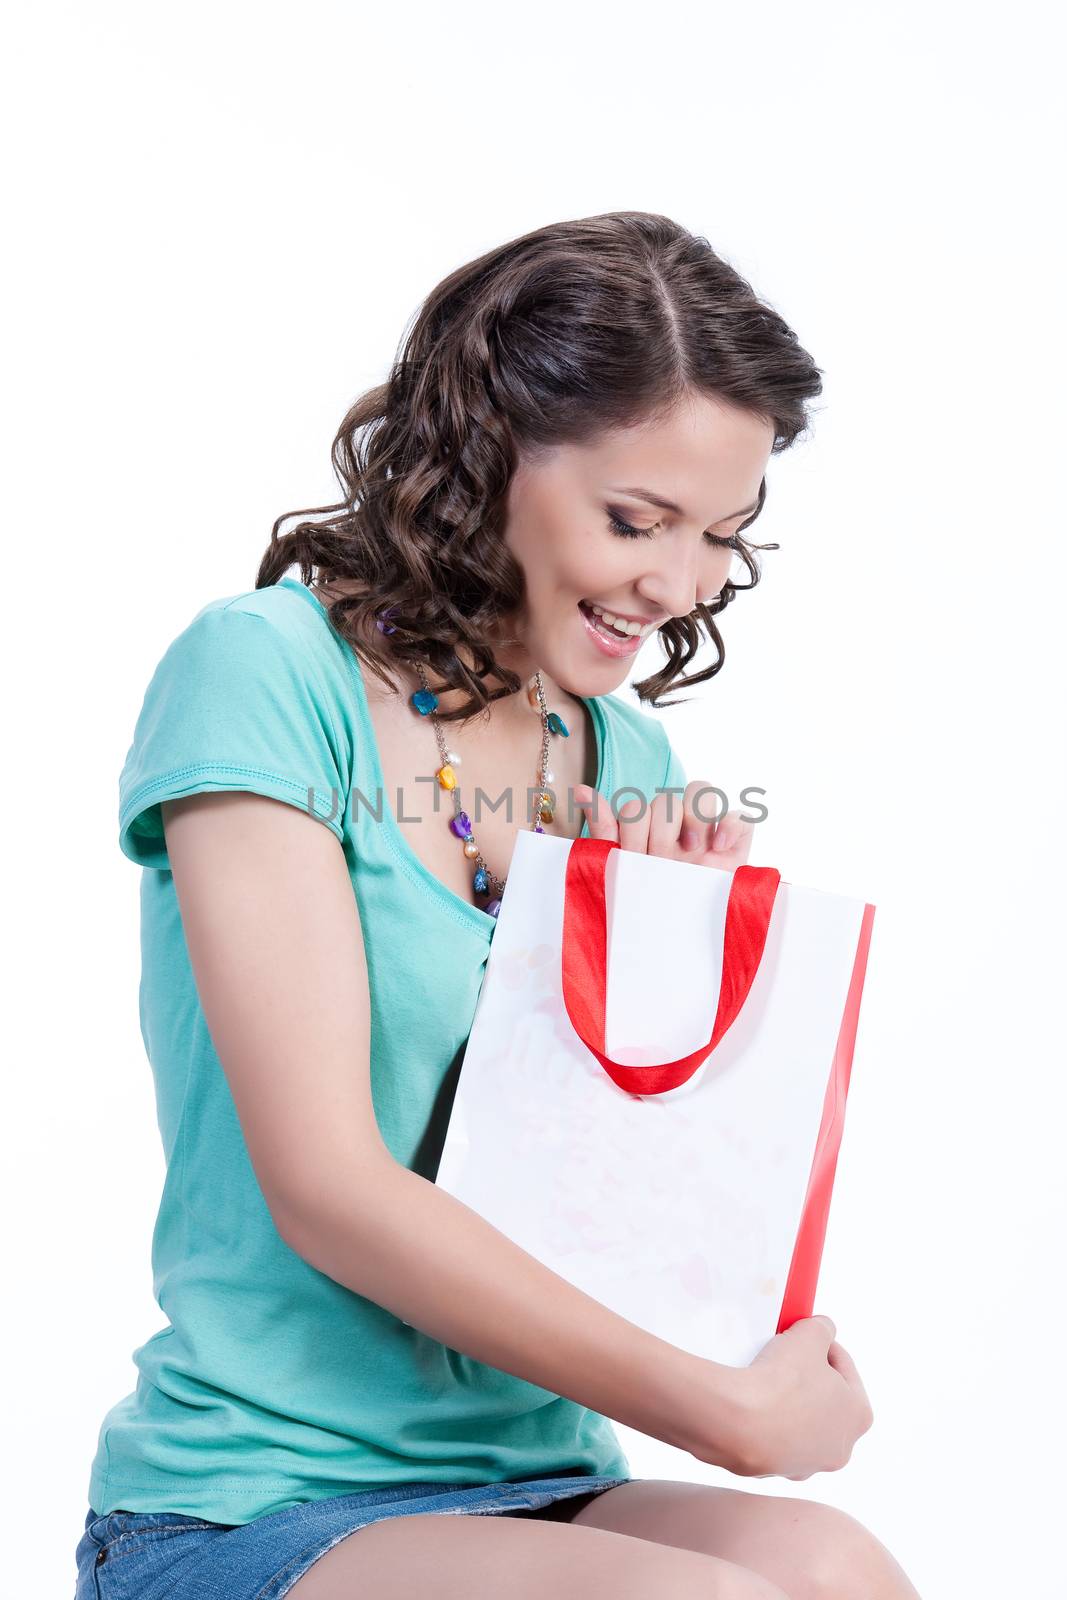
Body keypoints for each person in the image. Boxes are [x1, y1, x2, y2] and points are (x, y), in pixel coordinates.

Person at [73, 212, 920, 1599]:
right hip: (256, 1502)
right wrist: (722, 1412)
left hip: (541, 1473)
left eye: (719, 535)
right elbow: (330, 1189)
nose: (677, 583)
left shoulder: (619, 754)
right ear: (486, 456)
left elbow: (598, 1213)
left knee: (838, 1572)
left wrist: (659, 977)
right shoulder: (267, 675)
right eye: (635, 520)